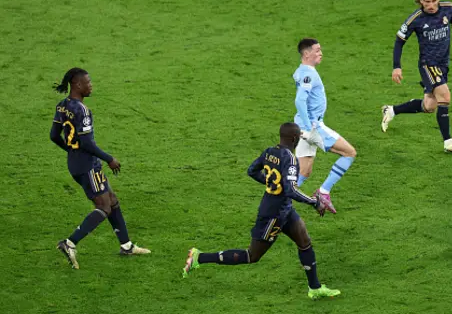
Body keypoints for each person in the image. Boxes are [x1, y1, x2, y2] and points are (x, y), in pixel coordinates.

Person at [182, 122, 341, 300]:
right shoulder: (290, 159)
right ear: (295, 139)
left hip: (284, 209)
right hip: (273, 215)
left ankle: (315, 288)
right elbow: (291, 189)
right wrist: (314, 202)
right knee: (252, 255)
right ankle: (199, 257)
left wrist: (272, 184)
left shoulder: (269, 152)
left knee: (304, 242)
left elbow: (252, 171)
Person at [50, 68, 150, 269]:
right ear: (77, 85)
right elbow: (87, 144)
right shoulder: (82, 111)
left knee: (112, 201)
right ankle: (69, 243)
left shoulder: (62, 106)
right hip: (88, 166)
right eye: (88, 82)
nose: (91, 85)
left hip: (75, 163)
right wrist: (109, 158)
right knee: (104, 206)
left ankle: (126, 245)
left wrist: (71, 150)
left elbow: (54, 135)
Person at [381, 0, 452, 153]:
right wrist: (396, 67)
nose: (431, 5)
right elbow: (399, 41)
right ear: (420, 1)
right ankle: (448, 142)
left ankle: (391, 110)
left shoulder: (448, 9)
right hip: (428, 64)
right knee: (445, 96)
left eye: (434, 1)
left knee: (429, 106)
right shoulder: (416, 19)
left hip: (443, 64)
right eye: (427, 2)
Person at [292, 38, 356, 213]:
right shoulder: (308, 74)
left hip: (301, 127)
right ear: (307, 54)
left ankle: (280, 202)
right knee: (349, 152)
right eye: (317, 50)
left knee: (303, 172)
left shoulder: (302, 71)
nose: (321, 53)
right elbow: (299, 100)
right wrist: (308, 126)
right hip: (312, 126)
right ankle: (323, 192)